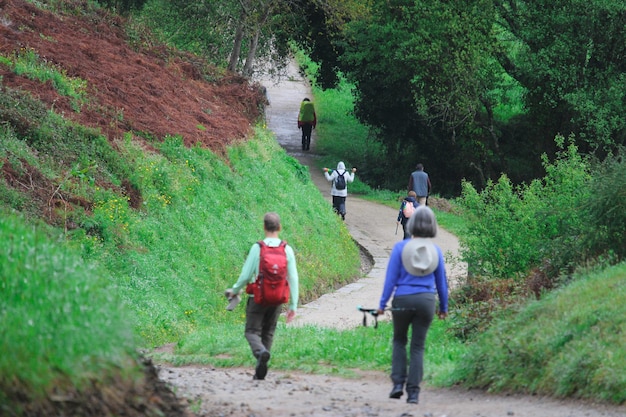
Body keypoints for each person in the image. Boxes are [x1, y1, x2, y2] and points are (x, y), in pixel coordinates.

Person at [377, 206, 448, 404]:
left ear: (413, 224)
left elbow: (390, 280)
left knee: (399, 341)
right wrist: (444, 307)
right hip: (426, 301)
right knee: (418, 346)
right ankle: (414, 393)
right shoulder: (436, 251)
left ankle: (398, 384)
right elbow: (442, 283)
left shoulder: (400, 248)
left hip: (403, 300)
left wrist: (382, 304)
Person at [225, 212, 299, 380]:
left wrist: (235, 290)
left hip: (257, 298)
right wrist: (293, 306)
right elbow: (293, 278)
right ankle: (261, 365)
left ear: (264, 227)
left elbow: (245, 276)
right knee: (268, 332)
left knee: (251, 331)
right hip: (277, 298)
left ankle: (260, 353)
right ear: (279, 228)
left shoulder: (257, 248)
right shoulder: (287, 250)